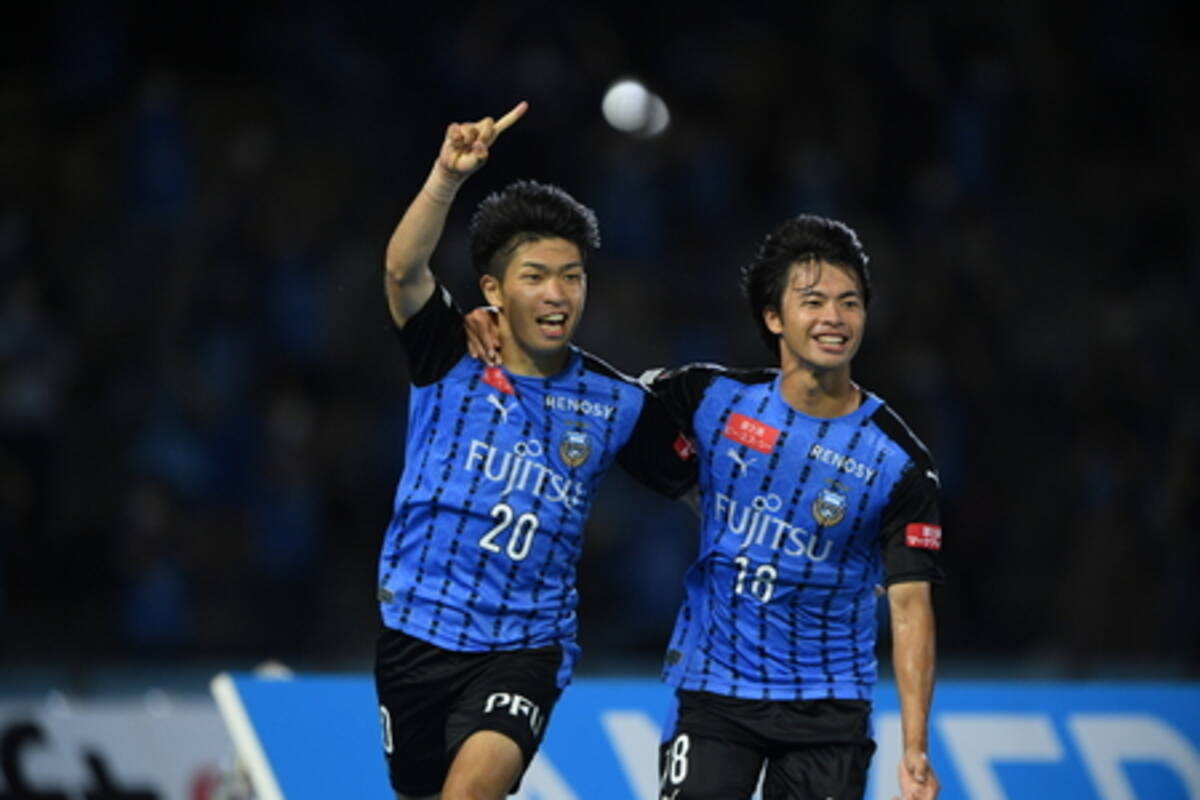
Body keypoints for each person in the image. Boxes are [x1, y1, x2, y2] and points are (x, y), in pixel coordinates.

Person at [374, 101, 695, 800]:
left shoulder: (617, 403)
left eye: (572, 276)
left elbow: (702, 489)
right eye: (536, 276)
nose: (558, 295)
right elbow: (402, 271)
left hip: (524, 647)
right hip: (415, 631)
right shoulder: (450, 352)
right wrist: (446, 177)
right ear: (492, 288)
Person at [648, 214, 943, 800]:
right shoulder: (710, 398)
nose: (835, 317)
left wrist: (915, 747)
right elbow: (602, 402)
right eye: (813, 301)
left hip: (828, 709)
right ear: (773, 317)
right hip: (714, 692)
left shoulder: (899, 462)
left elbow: (911, 608)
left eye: (849, 302)